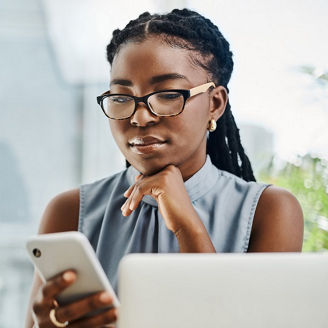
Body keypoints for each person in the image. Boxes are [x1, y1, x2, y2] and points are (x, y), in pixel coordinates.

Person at [25, 8, 304, 328]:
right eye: (120, 97)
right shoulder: (70, 211)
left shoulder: (269, 211)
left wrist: (188, 225)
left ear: (215, 103)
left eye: (168, 94)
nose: (140, 118)